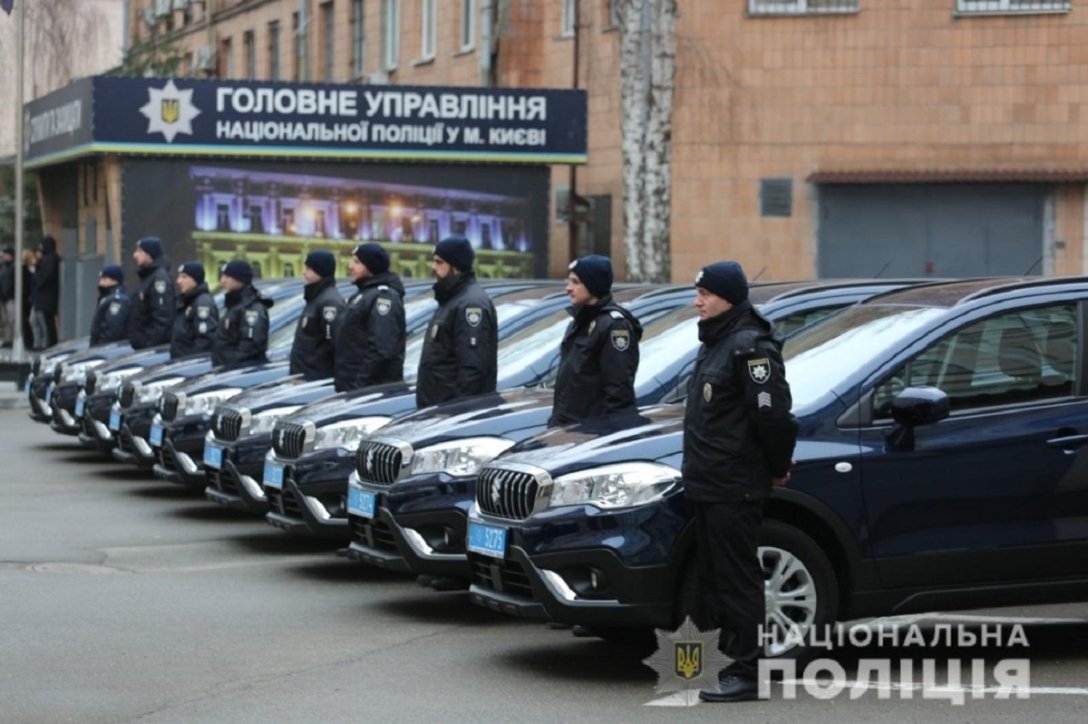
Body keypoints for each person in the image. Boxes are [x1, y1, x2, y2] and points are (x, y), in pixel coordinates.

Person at [681, 261, 798, 704]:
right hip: (708, 481)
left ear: (728, 297)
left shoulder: (750, 347)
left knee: (737, 579)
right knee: (712, 579)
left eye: (705, 294)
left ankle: (748, 671)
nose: (698, 301)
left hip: (735, 482)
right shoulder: (716, 341)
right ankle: (721, 663)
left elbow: (773, 417)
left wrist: (776, 465)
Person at [548, 255, 642, 427]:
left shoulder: (614, 326)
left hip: (590, 435)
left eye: (575, 282)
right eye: (569, 282)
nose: (568, 288)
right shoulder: (579, 323)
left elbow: (618, 392)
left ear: (593, 284)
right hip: (566, 431)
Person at [415, 236, 497, 408]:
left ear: (455, 265)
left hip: (449, 413)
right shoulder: (452, 299)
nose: (433, 268)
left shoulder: (471, 304)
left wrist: (456, 413)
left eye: (439, 262)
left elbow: (472, 370)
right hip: (438, 411)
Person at [334, 242, 406, 392]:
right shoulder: (363, 295)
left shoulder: (383, 298)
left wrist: (359, 388)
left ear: (371, 266)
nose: (350, 266)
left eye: (357, 262)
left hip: (370, 392)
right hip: (352, 390)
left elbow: (381, 350)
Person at [289, 250, 344, 380]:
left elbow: (334, 345)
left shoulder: (329, 302)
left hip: (315, 377)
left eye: (309, 268)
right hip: (305, 375)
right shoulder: (316, 297)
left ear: (320, 271)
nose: (304, 272)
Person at [211, 259, 272, 368]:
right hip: (226, 371)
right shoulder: (235, 306)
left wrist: (230, 366)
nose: (222, 281)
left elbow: (250, 348)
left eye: (227, 277)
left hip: (239, 372)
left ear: (239, 279)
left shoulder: (252, 309)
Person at [128, 236, 176, 349]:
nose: (135, 255)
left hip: (151, 349)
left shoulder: (159, 279)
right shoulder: (149, 277)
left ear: (150, 254)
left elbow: (163, 319)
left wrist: (147, 344)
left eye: (140, 251)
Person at [170, 261, 218, 359]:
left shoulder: (202, 303)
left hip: (190, 365)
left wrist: (190, 361)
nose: (178, 281)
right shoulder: (187, 301)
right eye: (179, 277)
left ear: (195, 279)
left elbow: (205, 341)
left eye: (184, 277)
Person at [89, 265, 132, 346]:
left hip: (108, 349)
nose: (100, 282)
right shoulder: (109, 296)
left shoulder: (117, 300)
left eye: (104, 279)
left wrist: (101, 346)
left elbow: (113, 329)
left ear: (114, 281)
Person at [31, 235, 60, 349]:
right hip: (42, 298)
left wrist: (37, 279)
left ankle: (46, 344)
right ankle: (40, 343)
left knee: (46, 323)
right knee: (37, 321)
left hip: (46, 298)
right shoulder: (47, 259)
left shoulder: (51, 259)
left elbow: (45, 277)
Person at [0, 247, 14, 347]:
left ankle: (13, 339)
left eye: (5, 254)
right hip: (3, 297)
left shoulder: (13, 267)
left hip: (10, 297)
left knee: (12, 319)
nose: (3, 256)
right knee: (6, 320)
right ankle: (7, 339)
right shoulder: (3, 267)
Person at [20, 248, 35, 348]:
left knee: (26, 320)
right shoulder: (26, 270)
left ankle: (28, 340)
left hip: (26, 298)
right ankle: (28, 341)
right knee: (26, 320)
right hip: (26, 298)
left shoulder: (27, 270)